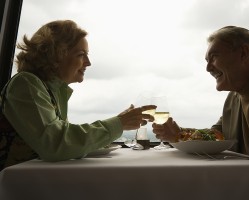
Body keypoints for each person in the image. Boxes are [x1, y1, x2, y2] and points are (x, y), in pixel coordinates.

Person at [0, 20, 156, 169]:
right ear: (56, 54)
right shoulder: (26, 83)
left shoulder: (52, 91)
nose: (88, 62)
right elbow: (55, 144)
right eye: (81, 54)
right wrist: (119, 123)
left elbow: (62, 142)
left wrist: (120, 123)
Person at [152, 26, 249, 179]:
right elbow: (214, 136)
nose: (208, 68)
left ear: (243, 53)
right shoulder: (233, 98)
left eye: (214, 57)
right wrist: (178, 134)